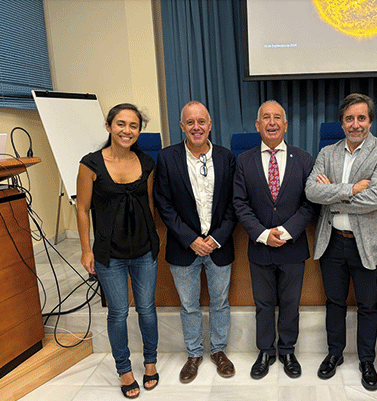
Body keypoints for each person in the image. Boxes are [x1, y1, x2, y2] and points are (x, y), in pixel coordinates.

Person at [305, 93, 377, 392]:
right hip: (332, 241)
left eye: (361, 118)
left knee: (368, 305)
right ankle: (335, 353)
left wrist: (332, 195)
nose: (355, 124)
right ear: (341, 122)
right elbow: (310, 192)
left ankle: (367, 360)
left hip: (366, 244)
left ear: (370, 120)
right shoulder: (327, 153)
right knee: (334, 302)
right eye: (349, 118)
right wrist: (349, 190)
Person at [76, 103, 160, 398]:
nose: (127, 130)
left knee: (147, 310)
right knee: (119, 312)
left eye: (133, 126)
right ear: (109, 126)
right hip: (109, 254)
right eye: (121, 124)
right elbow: (83, 209)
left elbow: (148, 204)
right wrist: (87, 250)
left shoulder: (148, 162)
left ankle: (151, 363)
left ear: (139, 130)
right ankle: (124, 369)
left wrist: (153, 242)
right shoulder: (90, 164)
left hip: (144, 251)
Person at [153, 101, 237, 383]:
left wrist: (214, 238)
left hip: (219, 246)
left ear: (210, 125)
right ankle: (193, 354)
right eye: (190, 122)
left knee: (220, 302)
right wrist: (191, 240)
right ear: (181, 127)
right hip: (183, 247)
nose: (196, 127)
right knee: (188, 305)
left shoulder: (227, 157)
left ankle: (218, 352)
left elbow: (233, 205)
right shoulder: (167, 158)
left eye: (201, 121)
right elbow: (163, 204)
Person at [233, 100, 316, 380]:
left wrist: (287, 231)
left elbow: (309, 203)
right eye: (265, 118)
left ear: (286, 125)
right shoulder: (243, 161)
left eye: (277, 117)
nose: (271, 122)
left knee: (291, 303)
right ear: (257, 125)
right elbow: (240, 203)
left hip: (293, 247)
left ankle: (288, 350)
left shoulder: (304, 159)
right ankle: (266, 351)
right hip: (260, 247)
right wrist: (263, 234)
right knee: (264, 304)